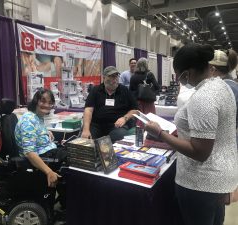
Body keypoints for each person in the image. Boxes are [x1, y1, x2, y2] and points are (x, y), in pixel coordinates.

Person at [144, 43, 238, 225]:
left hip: (200, 182)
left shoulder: (204, 98)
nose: (178, 79)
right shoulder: (221, 86)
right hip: (218, 176)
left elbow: (200, 151)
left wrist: (160, 133)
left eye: (178, 75)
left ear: (186, 74)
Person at [15, 89, 66, 187]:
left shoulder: (37, 117)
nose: (47, 105)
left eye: (50, 103)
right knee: (73, 159)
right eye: (43, 101)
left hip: (47, 152)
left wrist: (46, 132)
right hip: (41, 157)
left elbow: (35, 132)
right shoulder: (28, 120)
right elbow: (29, 153)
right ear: (36, 101)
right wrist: (49, 172)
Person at [209, 49, 238, 205]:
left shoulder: (222, 88)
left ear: (212, 68)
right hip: (230, 140)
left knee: (219, 197)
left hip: (221, 144)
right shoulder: (233, 86)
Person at [81, 66, 138, 143]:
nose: (114, 79)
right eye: (111, 76)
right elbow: (88, 110)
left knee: (119, 135)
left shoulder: (124, 90)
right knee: (87, 139)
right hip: (97, 125)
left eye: (116, 76)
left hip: (116, 125)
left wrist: (124, 118)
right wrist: (86, 130)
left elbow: (135, 110)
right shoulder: (96, 90)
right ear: (104, 78)